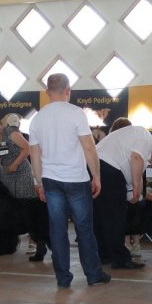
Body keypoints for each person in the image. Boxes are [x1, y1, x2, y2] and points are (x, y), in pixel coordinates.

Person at [28, 73, 110, 289]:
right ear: (68, 90)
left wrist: (39, 183)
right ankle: (93, 275)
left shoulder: (37, 119)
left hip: (51, 181)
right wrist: (97, 176)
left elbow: (34, 155)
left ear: (47, 92)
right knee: (84, 229)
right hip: (76, 180)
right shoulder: (76, 114)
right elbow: (89, 147)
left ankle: (63, 279)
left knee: (57, 230)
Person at [95, 123, 152, 268]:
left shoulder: (134, 137)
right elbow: (136, 159)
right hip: (110, 169)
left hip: (97, 166)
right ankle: (120, 259)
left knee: (101, 215)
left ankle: (104, 254)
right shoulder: (145, 137)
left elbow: (138, 163)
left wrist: (135, 191)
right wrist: (136, 187)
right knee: (117, 216)